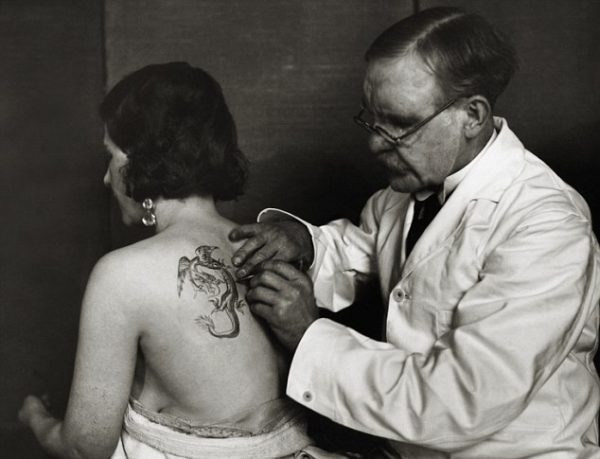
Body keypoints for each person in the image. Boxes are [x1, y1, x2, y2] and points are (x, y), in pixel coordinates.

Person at [229, 7, 600, 458]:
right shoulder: (403, 194)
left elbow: (461, 400)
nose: (375, 143)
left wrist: (308, 335)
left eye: (401, 124)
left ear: (473, 115)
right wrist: (306, 242)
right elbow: (366, 252)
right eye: (372, 118)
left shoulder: (546, 224)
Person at [18, 62, 316, 459]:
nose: (107, 179)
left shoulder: (122, 274)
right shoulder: (268, 248)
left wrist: (36, 419)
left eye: (110, 155)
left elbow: (84, 447)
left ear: (137, 160)